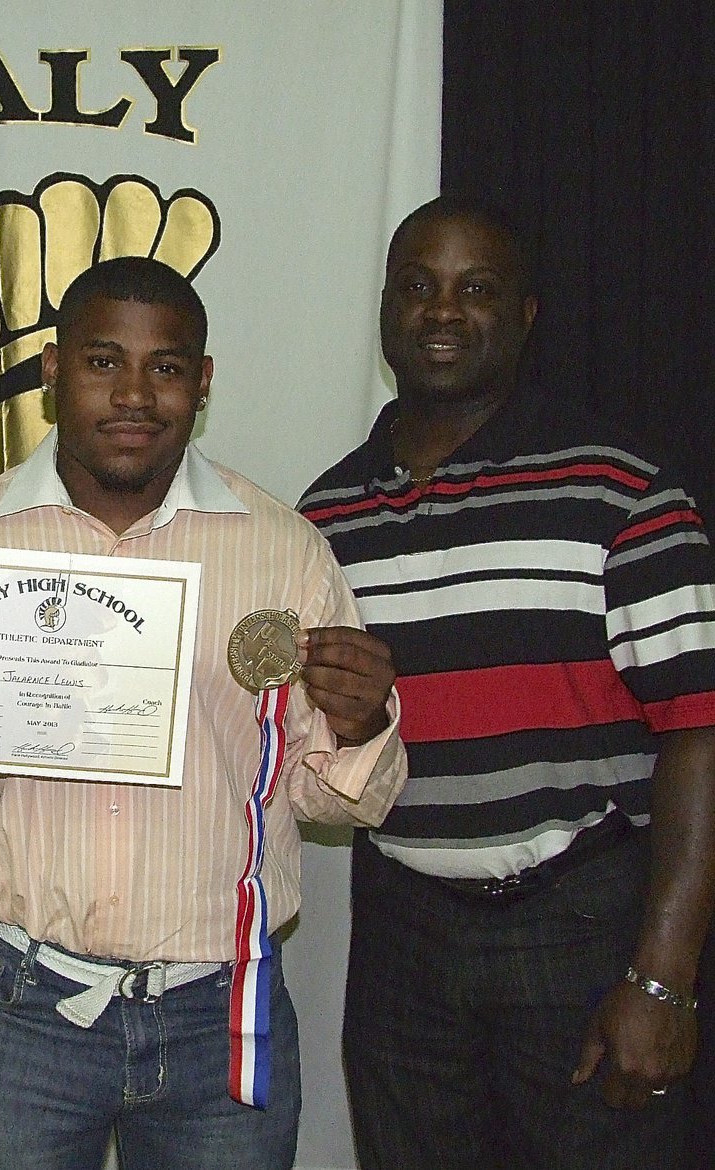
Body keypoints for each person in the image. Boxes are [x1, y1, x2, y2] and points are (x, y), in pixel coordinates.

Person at [0, 256, 407, 1170]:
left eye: (165, 367)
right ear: (53, 375)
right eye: (103, 362)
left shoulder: (284, 552)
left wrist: (365, 726)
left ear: (201, 383)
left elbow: (335, 801)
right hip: (17, 1004)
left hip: (222, 1008)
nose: (134, 393)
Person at [299, 194, 715, 1170]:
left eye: (476, 289)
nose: (442, 311)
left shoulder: (622, 490)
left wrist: (663, 976)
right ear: (387, 308)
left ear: (526, 313)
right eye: (418, 286)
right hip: (403, 936)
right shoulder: (326, 520)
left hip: (581, 926)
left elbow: (699, 732)